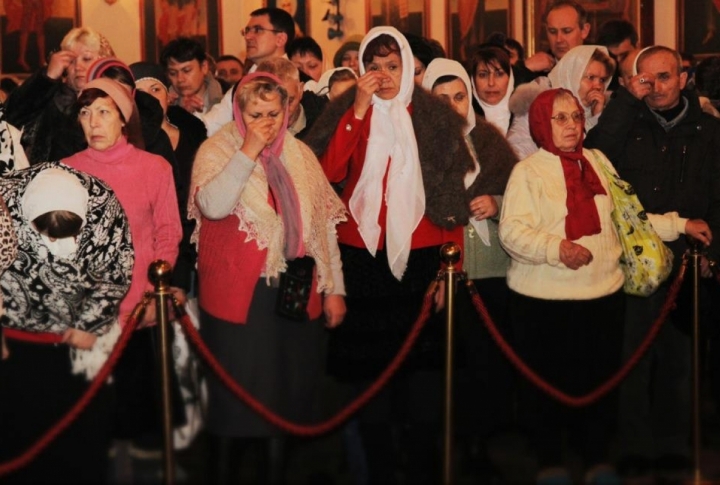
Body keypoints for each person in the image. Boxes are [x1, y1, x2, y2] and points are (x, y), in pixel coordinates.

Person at [304, 26, 472, 484]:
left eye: (392, 66)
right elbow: (330, 173)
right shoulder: (347, 113)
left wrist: (448, 270)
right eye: (373, 67)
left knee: (422, 384)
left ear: (407, 68)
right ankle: (376, 471)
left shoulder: (435, 118)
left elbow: (452, 199)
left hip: (423, 261)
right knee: (370, 383)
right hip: (363, 261)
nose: (382, 76)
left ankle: (420, 470)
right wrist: (357, 113)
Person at [188, 72, 347, 484]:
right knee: (234, 400)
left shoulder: (299, 155)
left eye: (274, 113)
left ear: (287, 110)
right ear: (239, 112)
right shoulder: (216, 149)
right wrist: (247, 152)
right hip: (239, 297)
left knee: (285, 398)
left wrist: (335, 291)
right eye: (255, 113)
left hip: (296, 287)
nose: (265, 123)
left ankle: (278, 475)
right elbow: (213, 206)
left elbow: (323, 230)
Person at [584, 45, 720, 480]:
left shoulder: (709, 131)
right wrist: (627, 100)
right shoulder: (628, 123)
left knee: (679, 359)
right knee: (633, 357)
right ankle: (636, 446)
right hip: (634, 261)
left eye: (665, 77)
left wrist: (713, 253)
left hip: (688, 260)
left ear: (684, 79)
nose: (657, 86)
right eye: (647, 78)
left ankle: (673, 444)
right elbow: (595, 155)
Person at [499, 88, 625, 485]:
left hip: (603, 294)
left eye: (576, 116)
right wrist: (557, 248)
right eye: (560, 119)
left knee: (599, 382)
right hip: (544, 300)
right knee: (545, 386)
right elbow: (512, 233)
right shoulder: (528, 171)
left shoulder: (599, 161)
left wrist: (679, 224)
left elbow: (629, 215)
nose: (571, 125)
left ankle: (595, 458)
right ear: (541, 124)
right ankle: (549, 460)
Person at [61, 77, 184, 463]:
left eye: (103, 112)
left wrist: (153, 295)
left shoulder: (153, 167)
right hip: (86, 313)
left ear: (123, 118)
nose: (93, 122)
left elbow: (168, 233)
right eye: (85, 113)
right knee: (91, 422)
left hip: (139, 307)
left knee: (139, 418)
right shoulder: (65, 170)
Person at [0, 164, 133, 484]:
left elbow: (117, 270)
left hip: (77, 346)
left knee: (80, 440)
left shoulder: (103, 201)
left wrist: (91, 322)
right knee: (18, 435)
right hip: (16, 343)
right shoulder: (4, 196)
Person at [421, 57, 519, 479]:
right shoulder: (416, 142)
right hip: (438, 269)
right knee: (443, 363)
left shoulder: (490, 140)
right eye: (441, 98)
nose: (452, 106)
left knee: (484, 360)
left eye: (459, 97)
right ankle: (442, 443)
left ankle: (480, 443)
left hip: (488, 267)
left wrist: (497, 202)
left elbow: (519, 191)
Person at [131, 61, 208, 293]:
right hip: (150, 243)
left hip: (192, 240)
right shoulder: (131, 142)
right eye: (141, 93)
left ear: (169, 95)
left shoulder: (193, 133)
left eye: (155, 90)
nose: (150, 99)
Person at [4, 26, 115, 163]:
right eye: (71, 61)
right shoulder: (50, 97)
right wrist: (48, 76)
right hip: (48, 179)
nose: (78, 67)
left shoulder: (114, 100)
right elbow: (11, 116)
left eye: (86, 59)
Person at [200, 7, 300, 136]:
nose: (248, 37)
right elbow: (211, 125)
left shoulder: (300, 82)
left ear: (280, 39)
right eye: (247, 31)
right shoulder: (244, 83)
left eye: (258, 30)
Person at [508, 45, 615, 160]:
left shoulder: (600, 110)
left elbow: (596, 161)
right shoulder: (539, 101)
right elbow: (518, 152)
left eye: (602, 80)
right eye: (591, 77)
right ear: (572, 75)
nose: (598, 86)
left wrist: (597, 118)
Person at [514, 0, 591, 85]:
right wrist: (525, 67)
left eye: (567, 31)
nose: (559, 39)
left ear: (584, 31)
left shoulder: (602, 66)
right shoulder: (537, 72)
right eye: (552, 31)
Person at [160, 37, 224, 115]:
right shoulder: (163, 106)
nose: (180, 79)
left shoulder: (226, 103)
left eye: (187, 70)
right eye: (173, 73)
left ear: (204, 67)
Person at [468, 44, 516, 135]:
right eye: (483, 75)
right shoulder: (464, 119)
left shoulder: (524, 116)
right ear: (473, 80)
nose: (491, 83)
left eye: (499, 74)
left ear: (510, 79)